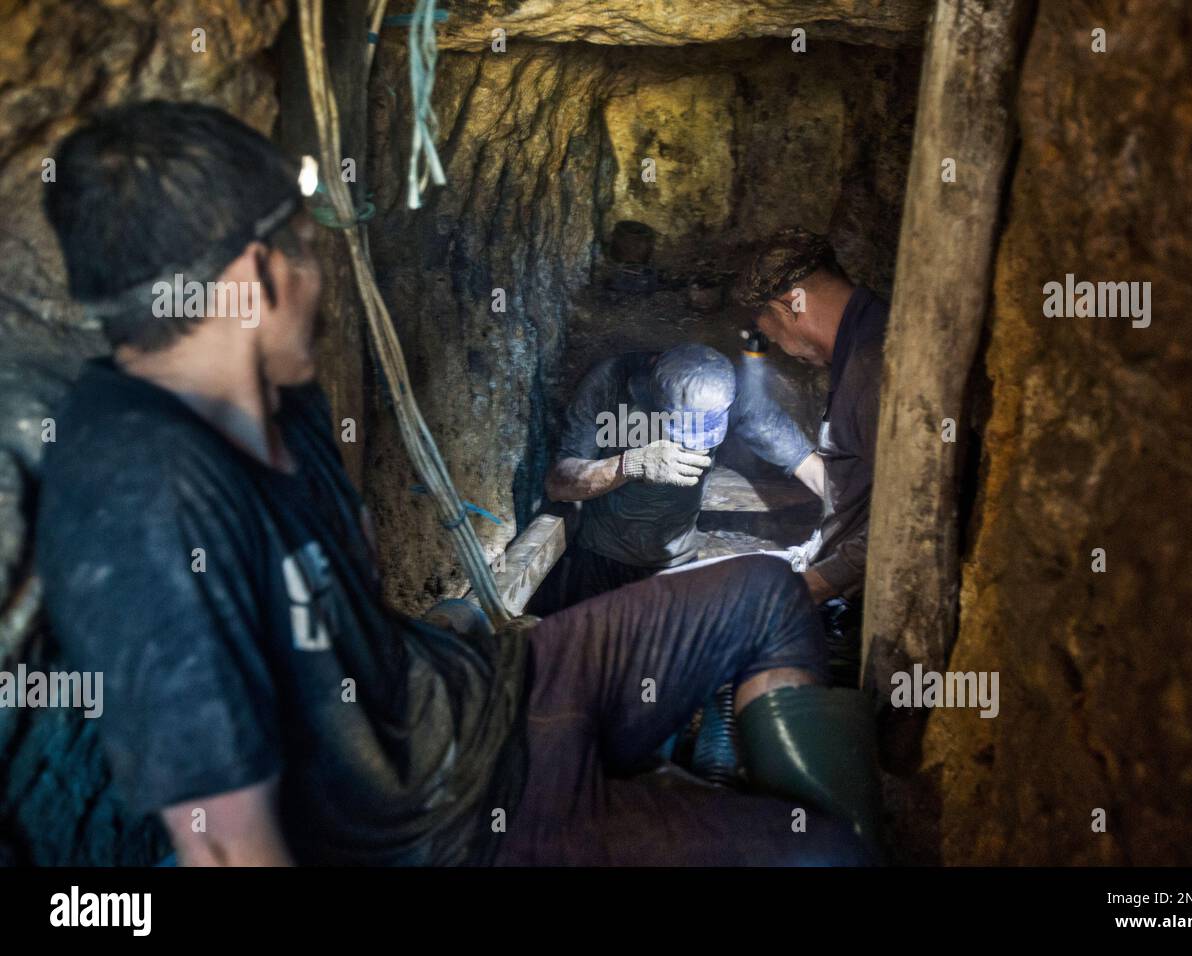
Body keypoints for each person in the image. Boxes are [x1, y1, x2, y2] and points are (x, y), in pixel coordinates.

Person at [34, 101, 879, 866]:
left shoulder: (278, 401)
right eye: (308, 247)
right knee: (827, 859)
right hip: (461, 823)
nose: (321, 276)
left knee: (769, 592)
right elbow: (224, 843)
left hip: (498, 689)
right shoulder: (135, 487)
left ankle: (721, 765)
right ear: (256, 275)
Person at [542, 343, 825, 609]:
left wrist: (846, 529)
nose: (694, 445)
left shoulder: (730, 392)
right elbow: (558, 483)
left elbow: (807, 464)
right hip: (600, 559)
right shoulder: (611, 383)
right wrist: (632, 464)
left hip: (676, 562)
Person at [738, 228, 890, 688]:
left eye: (773, 335)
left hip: (856, 608)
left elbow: (905, 516)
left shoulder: (875, 367)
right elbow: (856, 482)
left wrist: (812, 586)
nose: (783, 350)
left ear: (791, 305)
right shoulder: (866, 337)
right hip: (833, 574)